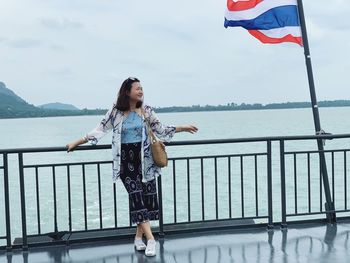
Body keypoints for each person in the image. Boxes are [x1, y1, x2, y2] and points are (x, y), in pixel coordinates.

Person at [66, 77, 198, 257]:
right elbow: (101, 129)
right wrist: (78, 142)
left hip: (145, 162)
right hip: (125, 164)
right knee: (136, 197)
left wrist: (183, 127)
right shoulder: (116, 112)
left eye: (142, 88)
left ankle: (138, 238)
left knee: (144, 200)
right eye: (137, 88)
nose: (141, 91)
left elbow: (161, 129)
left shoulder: (146, 111)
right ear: (127, 92)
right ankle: (151, 239)